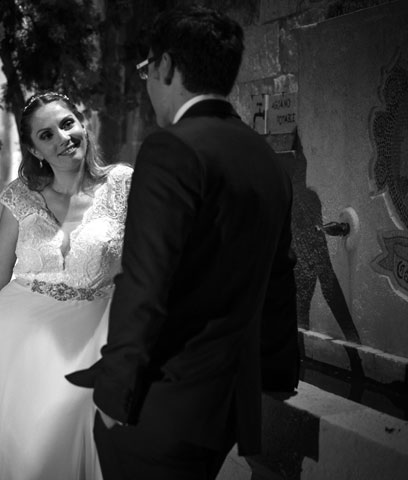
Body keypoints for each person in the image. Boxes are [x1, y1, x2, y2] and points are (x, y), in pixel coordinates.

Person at [66, 6, 300, 480]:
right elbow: (279, 273)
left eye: (147, 70)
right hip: (224, 409)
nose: (147, 83)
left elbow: (145, 283)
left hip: (162, 406)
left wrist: (115, 394)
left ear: (167, 67)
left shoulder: (171, 147)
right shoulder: (265, 158)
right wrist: (277, 372)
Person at [0, 91, 133, 480]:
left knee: (74, 453)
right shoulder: (20, 196)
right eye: (46, 135)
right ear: (35, 149)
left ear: (83, 124)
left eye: (66, 124)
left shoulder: (124, 184)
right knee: (22, 463)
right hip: (10, 348)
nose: (62, 138)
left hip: (91, 344)